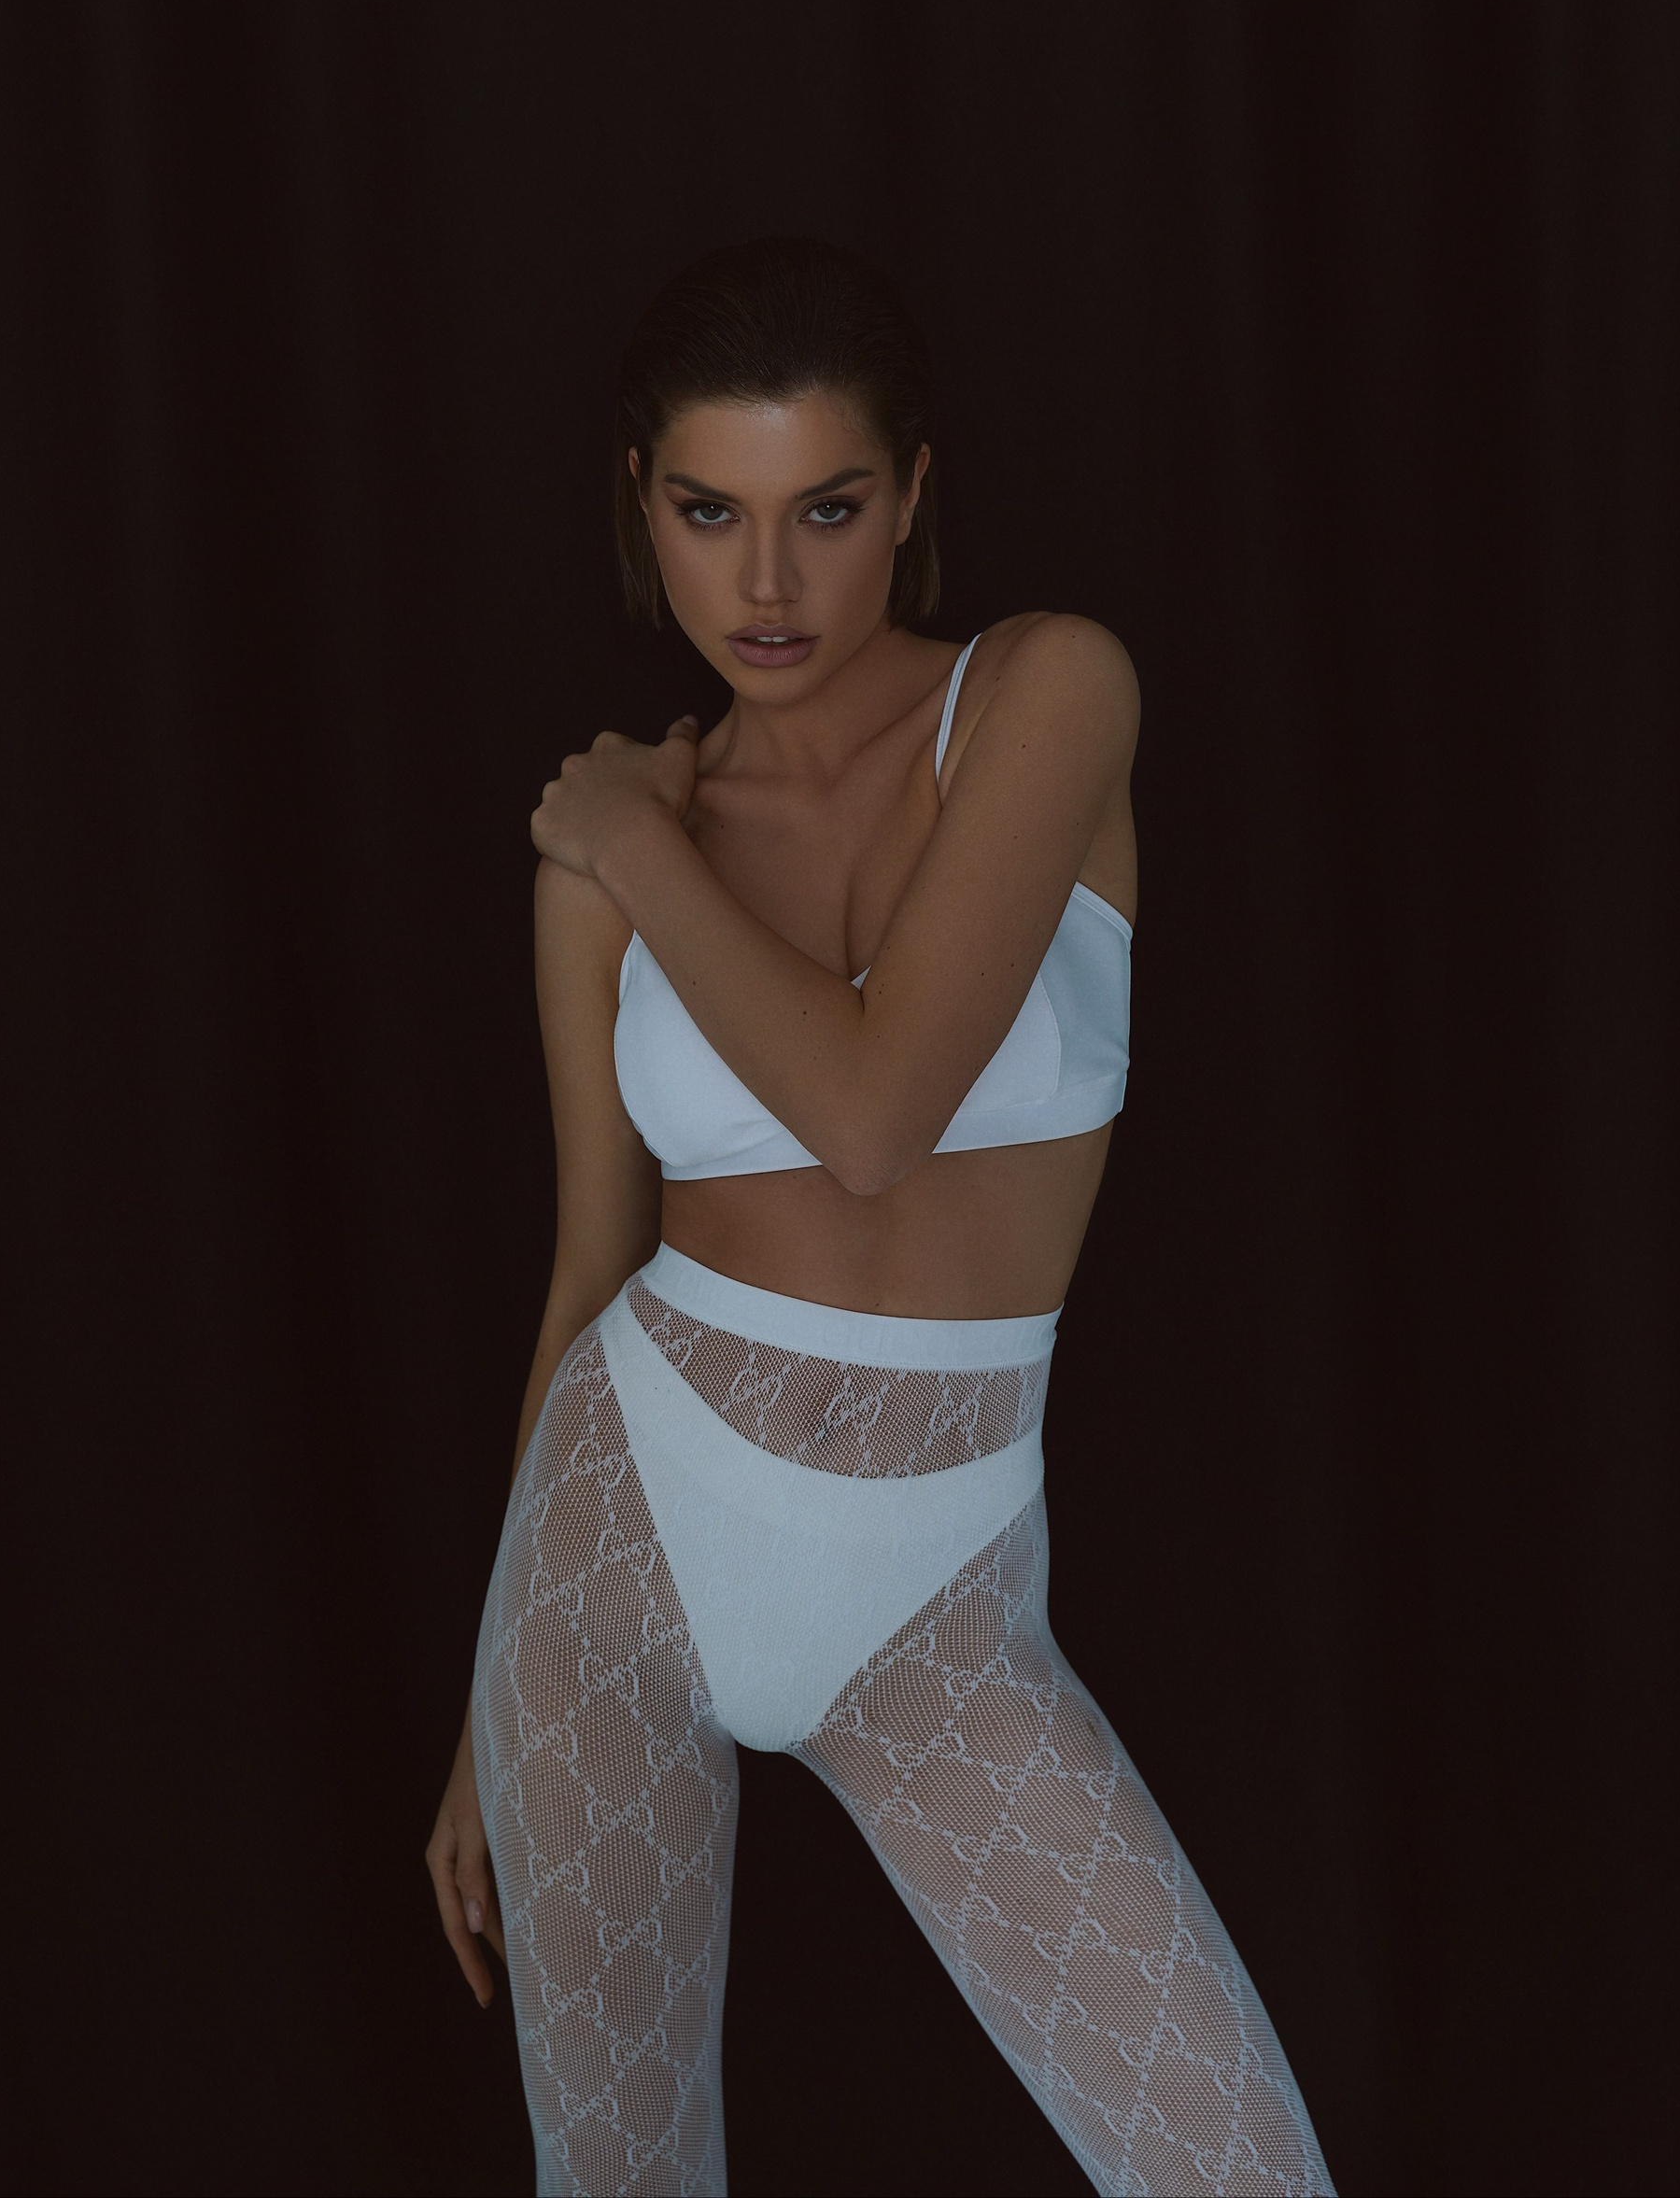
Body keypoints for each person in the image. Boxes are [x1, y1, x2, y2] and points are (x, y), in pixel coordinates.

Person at [426, 239, 1334, 2198]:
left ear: (914, 495)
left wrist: (636, 839)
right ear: (642, 509)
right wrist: (483, 1700)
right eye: (709, 514)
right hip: (611, 1545)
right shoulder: (604, 873)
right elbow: (589, 1268)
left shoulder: (1044, 693)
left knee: (1240, 2170)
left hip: (936, 1600)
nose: (766, 584)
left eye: (826, 511)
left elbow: (870, 1115)